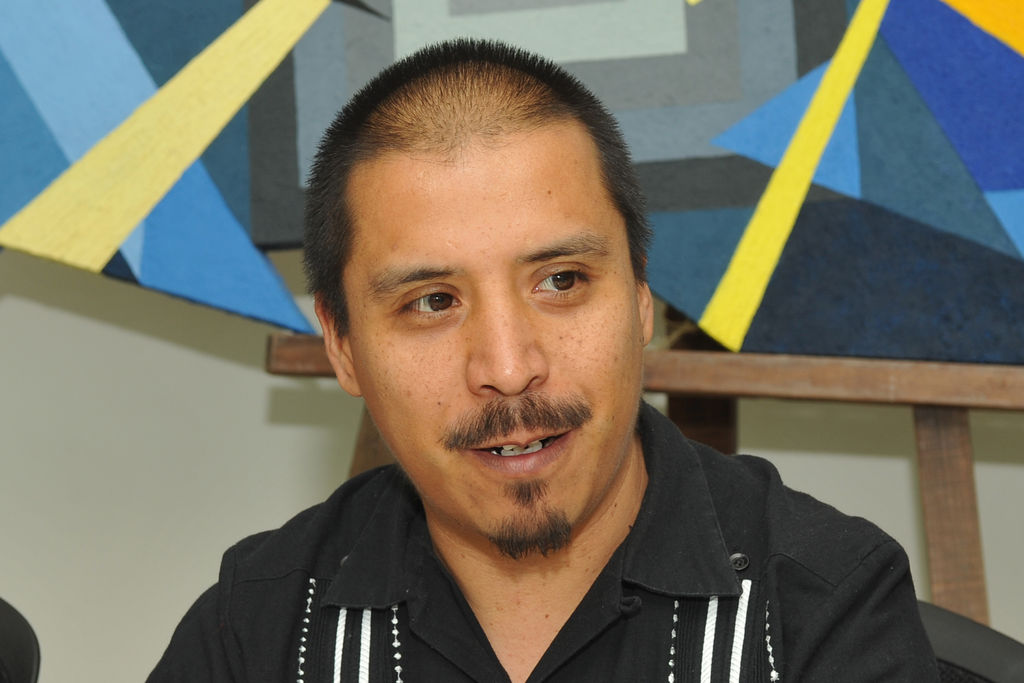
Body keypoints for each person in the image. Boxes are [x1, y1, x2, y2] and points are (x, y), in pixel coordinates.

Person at [149, 38, 939, 682]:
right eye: (432, 300)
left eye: (561, 281)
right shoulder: (255, 632)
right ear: (343, 345)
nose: (508, 365)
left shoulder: (819, 610)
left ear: (640, 297)